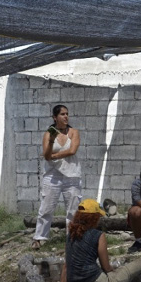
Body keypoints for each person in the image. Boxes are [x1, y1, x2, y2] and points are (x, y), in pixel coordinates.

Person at [55, 199, 141, 282]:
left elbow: (66, 267)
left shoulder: (70, 235)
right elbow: (106, 267)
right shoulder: (98, 235)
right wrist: (114, 271)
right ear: (94, 218)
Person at [33, 104, 81, 249]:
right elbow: (46, 156)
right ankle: (39, 237)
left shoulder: (73, 132)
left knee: (73, 208)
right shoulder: (48, 134)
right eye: (62, 114)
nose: (66, 116)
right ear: (55, 117)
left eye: (67, 114)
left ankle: (72, 238)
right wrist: (52, 141)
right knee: (46, 207)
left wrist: (54, 155)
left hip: (71, 174)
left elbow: (72, 151)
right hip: (52, 176)